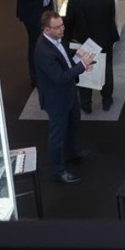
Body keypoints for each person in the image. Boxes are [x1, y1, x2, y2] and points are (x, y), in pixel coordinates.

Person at [34, 10, 95, 184]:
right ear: (46, 30)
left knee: (74, 123)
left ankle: (72, 152)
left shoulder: (56, 40)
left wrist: (78, 62)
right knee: (57, 135)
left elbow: (64, 59)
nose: (62, 29)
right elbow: (59, 77)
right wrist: (82, 65)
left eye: (62, 25)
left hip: (68, 93)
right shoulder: (43, 51)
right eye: (57, 27)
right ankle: (59, 170)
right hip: (56, 99)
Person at [63, 0, 118, 113]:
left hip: (84, 43)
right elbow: (111, 16)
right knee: (107, 71)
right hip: (104, 40)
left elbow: (69, 21)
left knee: (84, 70)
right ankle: (107, 100)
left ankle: (86, 104)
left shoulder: (76, 0)